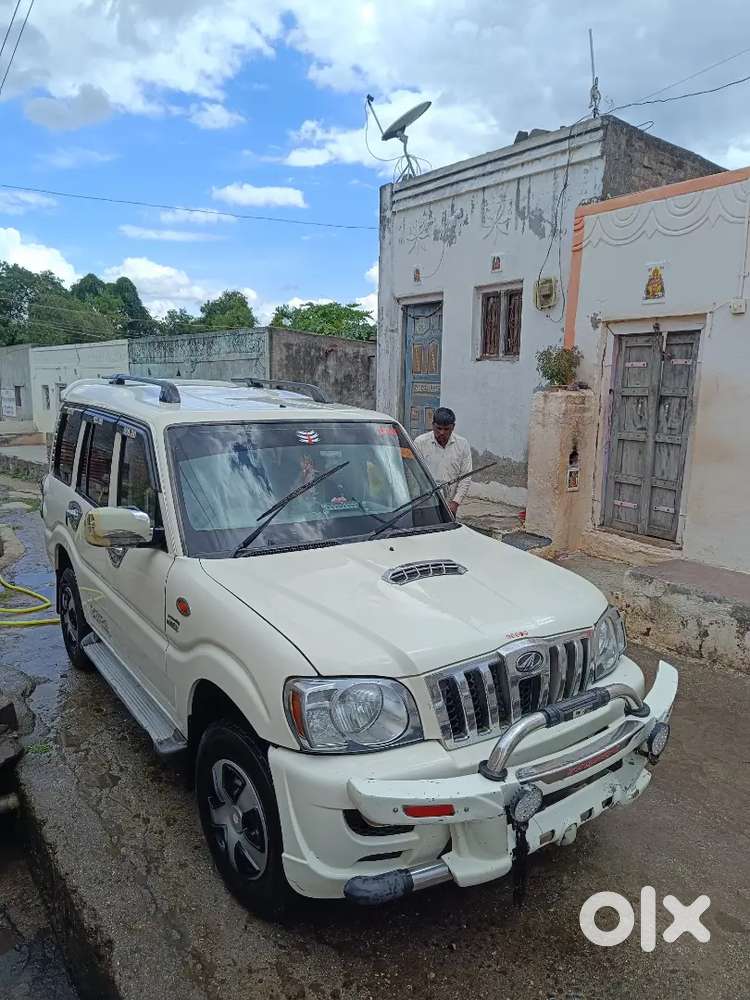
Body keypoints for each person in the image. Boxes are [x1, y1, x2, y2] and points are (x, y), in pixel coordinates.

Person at [414, 407, 472, 516]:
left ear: (453, 427)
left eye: (446, 429)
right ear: (433, 425)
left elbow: (466, 477)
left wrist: (455, 503)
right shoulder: (420, 443)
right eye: (438, 428)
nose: (442, 432)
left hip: (449, 505)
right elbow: (413, 474)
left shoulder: (462, 445)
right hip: (424, 503)